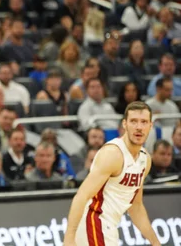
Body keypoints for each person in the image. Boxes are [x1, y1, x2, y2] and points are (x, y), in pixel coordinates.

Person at [63, 101, 161, 246]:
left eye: (144, 122)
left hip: (109, 226)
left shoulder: (145, 159)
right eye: (133, 121)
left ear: (150, 126)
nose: (139, 127)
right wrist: (69, 238)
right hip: (93, 221)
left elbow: (136, 206)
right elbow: (81, 196)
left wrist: (155, 242)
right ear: (124, 124)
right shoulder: (113, 154)